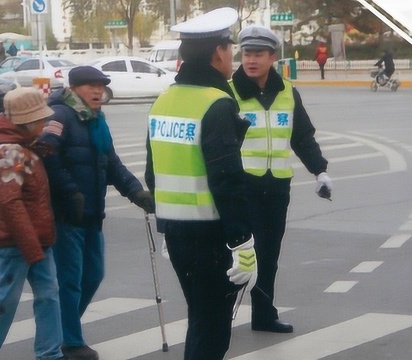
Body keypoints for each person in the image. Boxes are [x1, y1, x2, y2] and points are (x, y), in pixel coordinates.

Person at [145, 7, 257, 360]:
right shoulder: (217, 104)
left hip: (177, 235)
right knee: (212, 331)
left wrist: (167, 227)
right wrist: (242, 242)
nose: (233, 58)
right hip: (212, 237)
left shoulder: (164, 101)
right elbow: (226, 179)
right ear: (218, 53)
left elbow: (152, 173)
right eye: (231, 51)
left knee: (200, 318)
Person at [39, 66, 154, 360]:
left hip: (92, 213)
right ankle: (70, 341)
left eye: (100, 87)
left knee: (93, 275)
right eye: (90, 86)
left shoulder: (96, 120)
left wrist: (135, 191)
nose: (96, 91)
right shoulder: (60, 115)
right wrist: (70, 191)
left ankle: (61, 327)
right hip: (66, 214)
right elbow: (46, 154)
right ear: (75, 88)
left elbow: (111, 163)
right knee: (71, 279)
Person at [229, 25, 333, 334]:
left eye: (258, 54)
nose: (251, 60)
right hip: (240, 187)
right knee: (236, 254)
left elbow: (302, 137)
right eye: (247, 53)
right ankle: (221, 314)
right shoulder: (228, 92)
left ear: (272, 56)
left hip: (275, 188)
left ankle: (263, 314)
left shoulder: (287, 92)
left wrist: (320, 171)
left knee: (268, 254)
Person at [0, 87, 63, 360]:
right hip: (16, 242)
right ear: (27, 122)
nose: (44, 123)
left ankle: (50, 353)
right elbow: (10, 204)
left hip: (37, 239)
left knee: (48, 294)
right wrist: (32, 247)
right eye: (40, 119)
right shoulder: (9, 153)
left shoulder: (26, 148)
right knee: (8, 296)